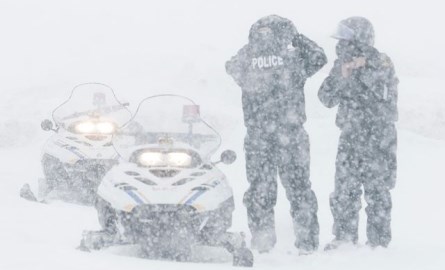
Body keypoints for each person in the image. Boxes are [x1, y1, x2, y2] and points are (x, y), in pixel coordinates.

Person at [225, 15, 327, 254]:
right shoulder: (294, 58)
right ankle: (307, 244)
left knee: (261, 189)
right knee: (299, 189)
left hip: (259, 136)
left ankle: (263, 243)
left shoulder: (248, 60)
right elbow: (319, 57)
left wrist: (254, 48)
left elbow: (230, 66)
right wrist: (297, 38)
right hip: (291, 135)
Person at [318, 17, 398, 249]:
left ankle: (378, 243)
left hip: (379, 138)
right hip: (350, 136)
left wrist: (365, 64)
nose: (341, 43)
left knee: (378, 192)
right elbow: (326, 98)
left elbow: (381, 92)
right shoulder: (340, 64)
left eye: (346, 37)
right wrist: (342, 77)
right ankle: (344, 238)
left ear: (360, 38)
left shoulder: (381, 61)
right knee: (344, 189)